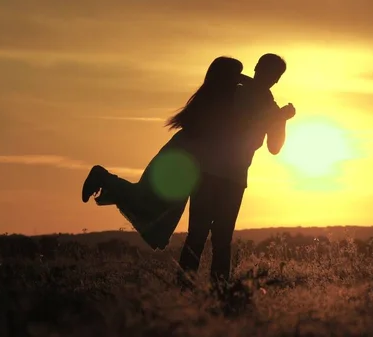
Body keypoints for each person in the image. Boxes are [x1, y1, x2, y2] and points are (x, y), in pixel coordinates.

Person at [81, 56, 249, 250]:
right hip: (181, 160)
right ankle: (103, 177)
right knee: (147, 201)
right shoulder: (219, 100)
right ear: (226, 76)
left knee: (154, 205)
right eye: (236, 74)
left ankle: (105, 179)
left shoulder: (216, 95)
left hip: (185, 159)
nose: (240, 79)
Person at [177, 53, 296, 287]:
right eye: (270, 73)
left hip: (232, 178)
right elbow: (240, 123)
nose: (273, 79)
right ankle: (186, 289)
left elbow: (274, 147)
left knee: (219, 239)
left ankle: (217, 291)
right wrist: (277, 116)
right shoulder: (236, 92)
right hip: (211, 173)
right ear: (257, 68)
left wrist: (281, 120)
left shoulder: (268, 104)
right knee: (200, 236)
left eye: (276, 75)